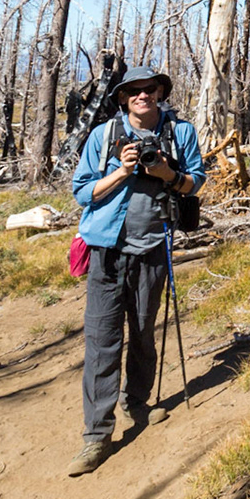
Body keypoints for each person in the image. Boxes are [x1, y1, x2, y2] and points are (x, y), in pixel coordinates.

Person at [66, 66, 205, 477]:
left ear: (161, 92)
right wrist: (122, 171)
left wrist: (166, 173)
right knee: (102, 339)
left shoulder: (181, 133)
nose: (143, 95)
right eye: (135, 91)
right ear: (124, 98)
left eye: (150, 89)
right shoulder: (103, 136)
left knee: (143, 332)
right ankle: (96, 435)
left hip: (154, 246)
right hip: (106, 249)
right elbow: (80, 192)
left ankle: (137, 401)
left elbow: (194, 181)